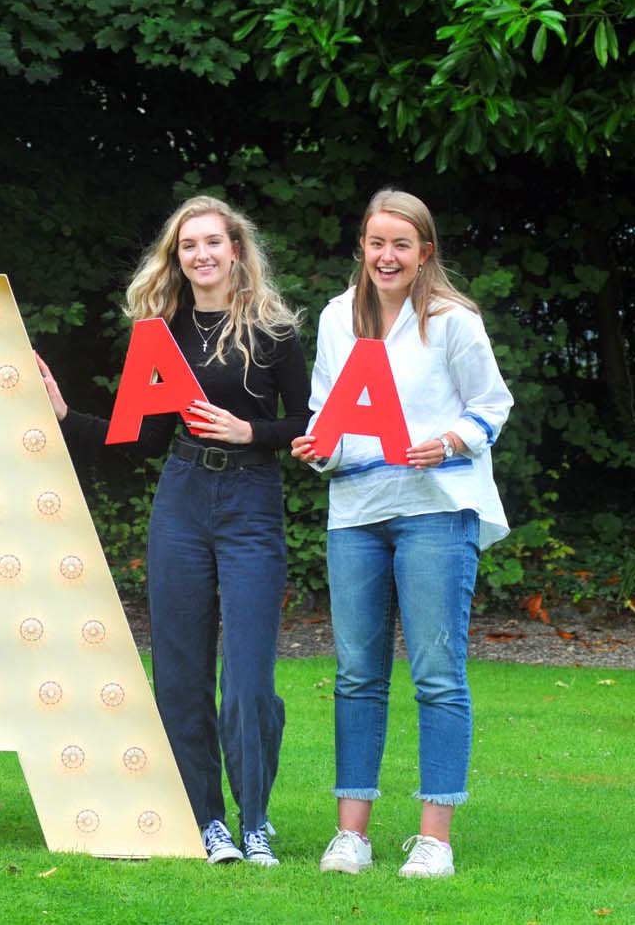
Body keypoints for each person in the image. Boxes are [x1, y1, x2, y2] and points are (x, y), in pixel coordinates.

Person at [38, 196, 307, 865]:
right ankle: (205, 821)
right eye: (189, 246)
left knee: (248, 681)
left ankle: (255, 821)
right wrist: (66, 413)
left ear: (236, 251)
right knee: (181, 677)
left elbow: (308, 424)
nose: (202, 254)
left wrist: (255, 431)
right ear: (177, 258)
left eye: (213, 242)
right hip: (182, 500)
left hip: (251, 501)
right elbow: (143, 438)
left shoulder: (274, 332)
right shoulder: (160, 333)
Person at [292, 189, 512, 879]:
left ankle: (433, 840)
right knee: (357, 675)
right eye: (375, 242)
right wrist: (318, 448)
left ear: (424, 254)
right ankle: (350, 836)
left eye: (401, 245)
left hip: (437, 510)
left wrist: (448, 441)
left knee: (437, 675)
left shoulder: (451, 321)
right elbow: (325, 410)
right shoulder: (335, 319)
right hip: (357, 511)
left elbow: (491, 407)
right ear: (361, 246)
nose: (386, 256)